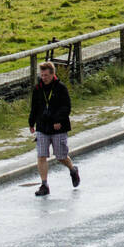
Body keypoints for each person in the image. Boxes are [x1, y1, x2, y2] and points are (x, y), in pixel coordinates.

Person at [28, 61, 80, 196]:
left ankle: (73, 169)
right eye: (42, 75)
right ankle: (44, 185)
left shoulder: (61, 88)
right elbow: (34, 106)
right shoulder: (37, 88)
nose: (43, 78)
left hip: (58, 127)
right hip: (42, 127)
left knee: (61, 156)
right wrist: (31, 122)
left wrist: (58, 120)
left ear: (52, 75)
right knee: (41, 155)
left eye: (46, 75)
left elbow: (67, 107)